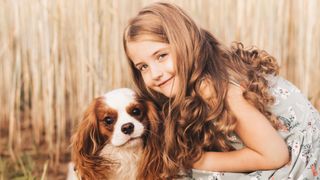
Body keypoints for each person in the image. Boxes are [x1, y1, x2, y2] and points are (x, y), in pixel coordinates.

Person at [123, 2, 320, 179]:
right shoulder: (195, 82)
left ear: (185, 44)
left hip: (300, 162)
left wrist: (198, 160)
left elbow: (275, 155)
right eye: (143, 67)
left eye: (161, 56)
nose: (155, 73)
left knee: (193, 173)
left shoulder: (214, 87)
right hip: (283, 152)